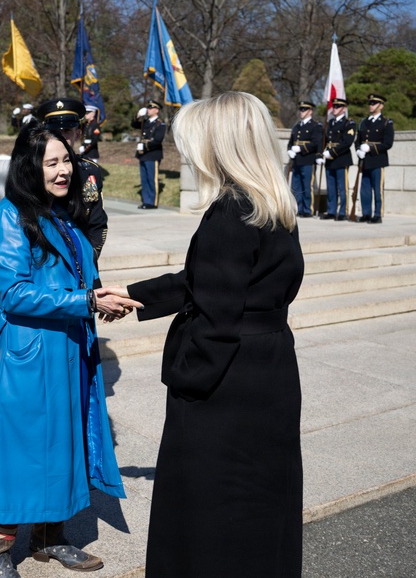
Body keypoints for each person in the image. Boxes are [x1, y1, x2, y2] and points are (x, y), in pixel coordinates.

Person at [105, 91, 304, 577]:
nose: (190, 156)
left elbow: (216, 315)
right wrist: (135, 294)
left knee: (210, 509)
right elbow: (215, 280)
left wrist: (186, 378)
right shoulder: (272, 205)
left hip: (226, 385)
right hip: (270, 370)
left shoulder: (229, 214)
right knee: (261, 501)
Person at [0, 126, 138, 578]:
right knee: (22, 453)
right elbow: (14, 294)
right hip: (30, 355)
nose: (64, 169)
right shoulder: (9, 217)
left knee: (65, 446)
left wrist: (101, 298)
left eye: (66, 159)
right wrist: (86, 302)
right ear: (30, 167)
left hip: (69, 350)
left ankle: (50, 539)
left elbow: (78, 281)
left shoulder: (64, 219)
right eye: (52, 162)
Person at [34, 98, 107, 261]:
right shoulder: (35, 169)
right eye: (54, 132)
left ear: (78, 133)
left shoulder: (90, 171)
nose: (60, 137)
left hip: (84, 261)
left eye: (67, 131)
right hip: (47, 262)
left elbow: (97, 223)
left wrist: (88, 257)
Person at [355, 93, 395, 224]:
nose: (371, 106)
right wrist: (358, 150)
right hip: (365, 161)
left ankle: (377, 214)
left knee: (378, 190)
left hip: (377, 160)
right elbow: (358, 140)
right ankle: (366, 213)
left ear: (381, 106)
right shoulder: (363, 122)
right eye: (370, 103)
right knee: (365, 190)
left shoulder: (386, 123)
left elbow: (388, 143)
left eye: (374, 103)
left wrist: (370, 149)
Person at [319, 98, 355, 220]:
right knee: (331, 186)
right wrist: (321, 154)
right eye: (334, 106)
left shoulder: (348, 123)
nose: (335, 108)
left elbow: (347, 142)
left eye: (338, 106)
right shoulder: (330, 124)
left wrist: (332, 152)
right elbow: (324, 141)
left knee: (342, 187)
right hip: (329, 159)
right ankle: (331, 211)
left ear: (344, 109)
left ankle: (343, 212)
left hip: (341, 158)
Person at [287, 101, 322, 217]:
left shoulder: (315, 126)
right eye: (301, 109)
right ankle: (298, 208)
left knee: (307, 186)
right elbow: (291, 142)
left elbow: (316, 142)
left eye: (304, 110)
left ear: (310, 111)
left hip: (308, 160)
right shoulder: (297, 126)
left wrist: (301, 148)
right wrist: (290, 150)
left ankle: (307, 209)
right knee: (296, 186)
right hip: (296, 161)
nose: (302, 112)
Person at [134, 100, 166, 209]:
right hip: (143, 154)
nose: (148, 110)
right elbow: (134, 124)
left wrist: (145, 145)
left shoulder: (160, 123)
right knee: (144, 179)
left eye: (151, 108)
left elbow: (158, 140)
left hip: (152, 154)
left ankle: (152, 202)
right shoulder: (146, 122)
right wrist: (138, 116)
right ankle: (146, 200)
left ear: (156, 110)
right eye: (148, 108)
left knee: (151, 178)